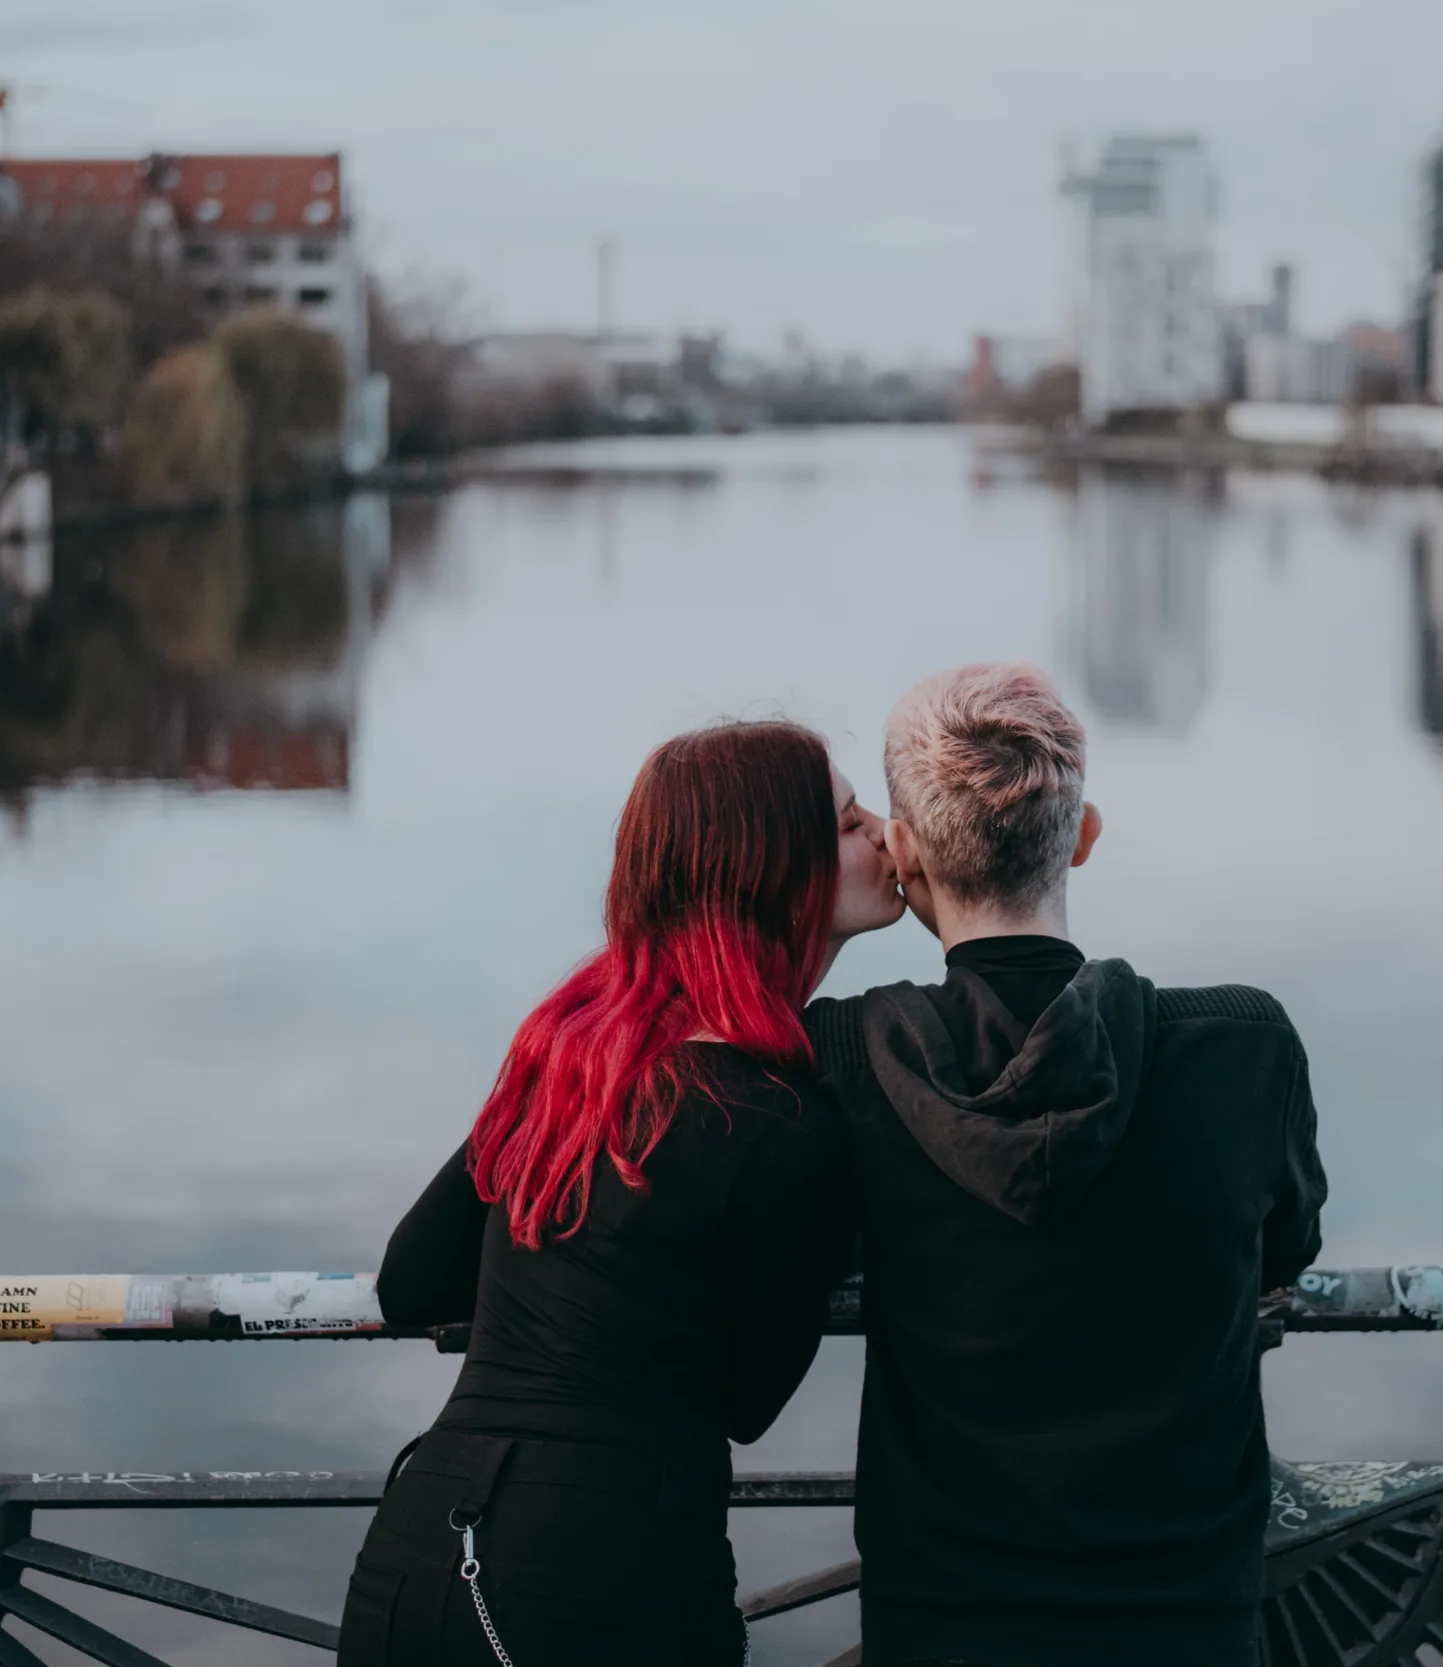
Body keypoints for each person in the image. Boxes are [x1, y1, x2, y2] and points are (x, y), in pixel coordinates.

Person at [344, 719, 904, 1667]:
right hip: (595, 1585)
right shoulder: (780, 1121)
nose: (888, 834)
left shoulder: (569, 1058)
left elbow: (411, 1279)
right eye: (853, 823)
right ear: (778, 874)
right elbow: (747, 1398)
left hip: (416, 1554)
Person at [803, 663, 1328, 1667]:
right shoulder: (1244, 1045)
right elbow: (1284, 1248)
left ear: (905, 857)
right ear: (1082, 837)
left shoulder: (850, 1057)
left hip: (940, 1621)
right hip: (1187, 1620)